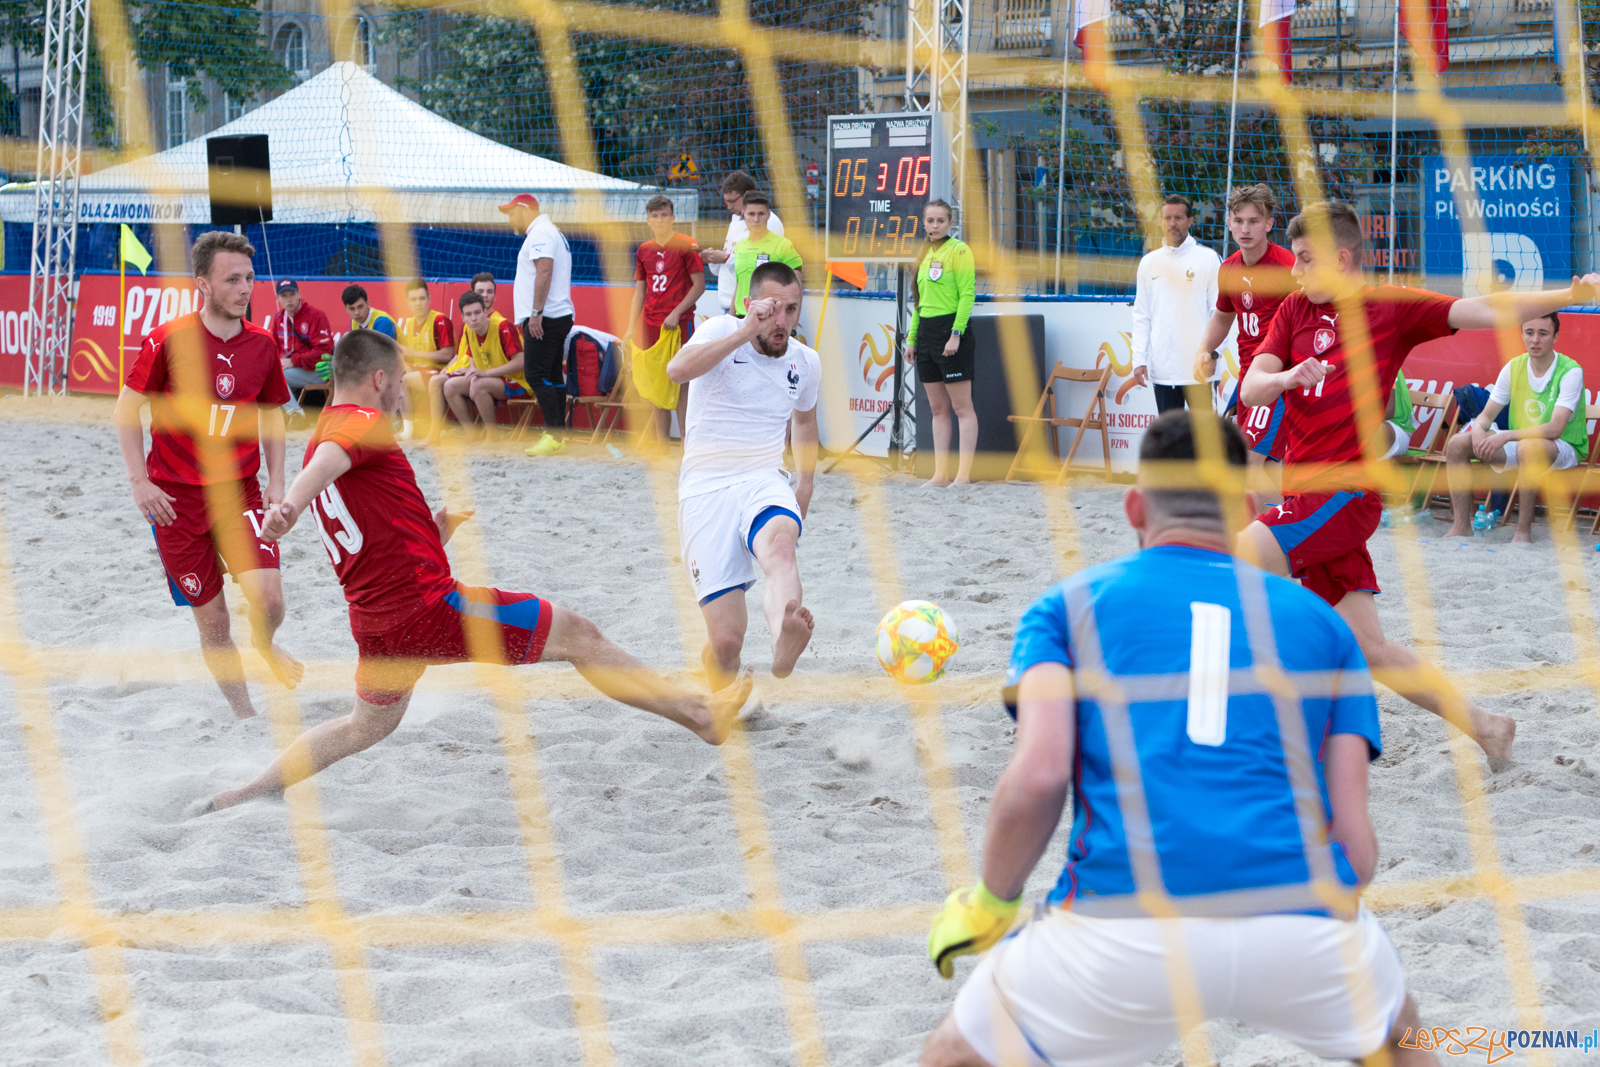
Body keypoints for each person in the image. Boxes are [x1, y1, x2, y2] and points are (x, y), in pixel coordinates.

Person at [921, 411, 1439, 1067]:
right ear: (1249, 510)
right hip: (1298, 922)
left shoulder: (1066, 606)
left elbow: (1040, 776)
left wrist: (992, 900)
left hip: (1124, 924)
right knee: (1407, 1040)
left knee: (953, 1054)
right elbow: (1358, 849)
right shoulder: (1328, 628)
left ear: (1136, 505)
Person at [203, 330, 753, 812]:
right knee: (579, 635)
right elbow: (331, 465)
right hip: (430, 610)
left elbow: (362, 530)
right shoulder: (359, 424)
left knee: (360, 728)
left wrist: (432, 532)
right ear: (376, 380)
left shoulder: (324, 427)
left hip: (377, 624)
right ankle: (699, 715)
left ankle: (254, 789)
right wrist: (290, 508)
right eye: (397, 384)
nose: (400, 396)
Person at [1238, 200, 1599, 766]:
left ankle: (1243, 732)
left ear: (1345, 258)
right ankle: (1487, 726)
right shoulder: (1292, 311)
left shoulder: (1389, 308)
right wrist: (1286, 376)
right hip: (1304, 494)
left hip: (1345, 493)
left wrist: (1567, 298)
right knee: (1371, 649)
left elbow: (1487, 309)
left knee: (1235, 562)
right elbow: (1251, 389)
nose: (1297, 270)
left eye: (1307, 259)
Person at [113, 230, 303, 720]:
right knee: (214, 625)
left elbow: (273, 415)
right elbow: (125, 411)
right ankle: (244, 716)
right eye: (232, 279)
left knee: (270, 600)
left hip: (238, 491)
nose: (245, 289)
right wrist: (139, 482)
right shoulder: (167, 340)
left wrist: (277, 484)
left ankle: (265, 643)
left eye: (249, 279)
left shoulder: (261, 344)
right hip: (174, 503)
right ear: (203, 284)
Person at [666, 262, 819, 687]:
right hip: (704, 487)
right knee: (727, 642)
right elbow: (677, 371)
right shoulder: (720, 330)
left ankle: (782, 639)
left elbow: (805, 422)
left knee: (781, 548)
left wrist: (804, 482)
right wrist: (743, 330)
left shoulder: (805, 362)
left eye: (792, 309)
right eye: (773, 310)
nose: (782, 322)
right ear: (751, 305)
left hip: (763, 477)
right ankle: (717, 690)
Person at [1444, 313, 1587, 542]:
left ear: (1556, 337)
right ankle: (1461, 526)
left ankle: (1522, 532)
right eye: (1529, 333)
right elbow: (1486, 416)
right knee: (1457, 444)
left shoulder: (1571, 371)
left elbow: (1555, 429)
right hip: (1522, 442)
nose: (1535, 340)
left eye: (1543, 333)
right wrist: (1479, 429)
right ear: (1522, 334)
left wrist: (1506, 436)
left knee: (1528, 448)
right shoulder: (1513, 367)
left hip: (1564, 447)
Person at [1195, 183, 1297, 503]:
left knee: (1248, 463)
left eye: (1254, 221)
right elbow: (1223, 317)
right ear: (1228, 222)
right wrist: (1204, 351)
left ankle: (1259, 539)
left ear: (1270, 223)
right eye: (1239, 220)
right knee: (1267, 468)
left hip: (1277, 380)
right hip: (1248, 378)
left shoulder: (1288, 267)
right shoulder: (1228, 268)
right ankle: (1288, 530)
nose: (1245, 228)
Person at [905, 199, 978, 487]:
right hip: (926, 333)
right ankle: (940, 474)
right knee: (937, 409)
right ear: (923, 223)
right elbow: (919, 303)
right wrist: (912, 339)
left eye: (940, 221)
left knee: (962, 408)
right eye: (930, 221)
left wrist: (956, 334)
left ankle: (963, 475)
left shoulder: (959, 250)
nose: (934, 226)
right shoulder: (923, 254)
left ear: (950, 224)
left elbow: (967, 295)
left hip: (951, 330)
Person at [1131, 194, 1221, 413]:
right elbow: (1142, 316)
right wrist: (1139, 359)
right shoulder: (1149, 263)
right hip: (1163, 370)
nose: (1172, 224)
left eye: (1179, 217)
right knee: (1169, 443)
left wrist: (1213, 354)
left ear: (1190, 221)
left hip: (1200, 369)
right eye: (1167, 218)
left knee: (1207, 443)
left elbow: (1219, 313)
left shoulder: (1208, 259)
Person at [627, 194, 705, 446]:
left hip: (679, 324)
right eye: (655, 216)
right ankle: (661, 443)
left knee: (682, 382)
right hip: (652, 324)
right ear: (648, 220)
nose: (660, 220)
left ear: (672, 218)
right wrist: (630, 327)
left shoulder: (686, 244)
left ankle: (685, 442)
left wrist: (676, 312)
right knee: (655, 384)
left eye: (664, 215)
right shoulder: (644, 250)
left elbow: (699, 286)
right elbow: (640, 291)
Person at [500, 192, 573, 455]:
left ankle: (554, 435)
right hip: (555, 314)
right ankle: (558, 436)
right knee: (551, 375)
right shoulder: (551, 232)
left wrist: (535, 312)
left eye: (510, 214)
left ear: (523, 209)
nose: (509, 221)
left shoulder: (541, 233)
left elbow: (544, 271)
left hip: (547, 315)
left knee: (535, 374)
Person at [435, 291, 530, 441]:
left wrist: (485, 374)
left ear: (486, 311)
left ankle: (492, 436)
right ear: (463, 317)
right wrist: (472, 372)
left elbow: (520, 362)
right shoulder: (469, 331)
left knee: (479, 384)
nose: (474, 318)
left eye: (477, 312)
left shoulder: (503, 326)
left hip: (518, 381)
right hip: (492, 379)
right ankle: (471, 434)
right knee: (449, 386)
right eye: (469, 314)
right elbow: (473, 359)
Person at [701, 170, 785, 315]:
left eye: (732, 201)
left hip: (754, 305)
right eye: (726, 201)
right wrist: (713, 259)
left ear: (746, 195)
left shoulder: (769, 222)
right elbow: (725, 268)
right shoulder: (736, 220)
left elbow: (763, 265)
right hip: (733, 304)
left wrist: (725, 258)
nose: (728, 206)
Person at [262, 279, 332, 420]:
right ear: (278, 298)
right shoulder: (278, 319)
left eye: (292, 294)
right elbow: (274, 349)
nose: (289, 300)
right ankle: (279, 416)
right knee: (263, 371)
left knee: (277, 376)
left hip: (319, 371)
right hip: (294, 371)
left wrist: (293, 361)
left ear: (299, 294)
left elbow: (323, 352)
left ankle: (296, 415)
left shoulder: (316, 315)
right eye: (284, 296)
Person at [396, 278, 456, 441]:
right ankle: (404, 424)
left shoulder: (440, 320)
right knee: (394, 375)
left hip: (441, 371)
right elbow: (409, 355)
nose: (418, 303)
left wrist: (413, 353)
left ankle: (409, 430)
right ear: (407, 302)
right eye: (414, 300)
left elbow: (448, 355)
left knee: (404, 381)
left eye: (422, 298)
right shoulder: (409, 323)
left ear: (429, 299)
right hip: (421, 371)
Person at [730, 193, 802, 317]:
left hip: (770, 317)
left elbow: (797, 289)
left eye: (761, 214)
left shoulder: (782, 245)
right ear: (743, 214)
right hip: (741, 317)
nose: (756, 219)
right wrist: (731, 319)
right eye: (751, 214)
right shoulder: (739, 246)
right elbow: (739, 285)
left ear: (768, 214)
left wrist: (793, 326)